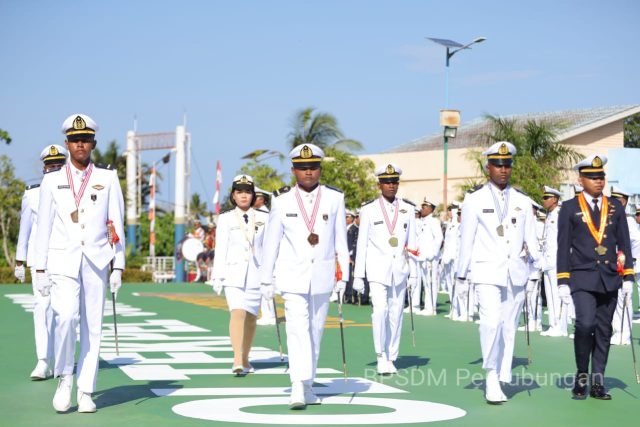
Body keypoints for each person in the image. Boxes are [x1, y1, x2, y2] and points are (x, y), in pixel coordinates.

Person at [34, 114, 125, 413]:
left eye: (85, 139)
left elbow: (116, 223)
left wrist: (119, 265)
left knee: (92, 327)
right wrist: (39, 268)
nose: (80, 144)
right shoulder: (52, 180)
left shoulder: (107, 178)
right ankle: (64, 378)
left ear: (93, 143)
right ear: (66, 144)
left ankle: (86, 390)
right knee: (65, 318)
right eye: (75, 140)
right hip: (62, 259)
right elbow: (43, 227)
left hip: (97, 259)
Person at [259, 144, 349, 409]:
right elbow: (271, 243)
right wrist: (266, 278)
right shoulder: (281, 199)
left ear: (320, 168)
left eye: (312, 167)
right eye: (302, 168)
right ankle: (297, 384)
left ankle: (309, 384)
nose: (308, 173)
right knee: (297, 328)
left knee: (315, 331)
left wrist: (343, 274)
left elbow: (340, 240)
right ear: (293, 170)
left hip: (322, 275)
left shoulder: (334, 198)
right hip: (292, 276)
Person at [456, 141, 541, 404]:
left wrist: (538, 267)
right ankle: (491, 376)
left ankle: (503, 374)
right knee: (491, 322)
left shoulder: (523, 200)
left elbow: (532, 240)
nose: (503, 170)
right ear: (488, 167)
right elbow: (466, 240)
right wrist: (461, 275)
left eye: (507, 165)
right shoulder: (474, 199)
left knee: (508, 327)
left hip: (515, 272)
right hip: (486, 272)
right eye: (498, 165)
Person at [557, 154, 634, 400]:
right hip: (582, 277)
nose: (598, 181)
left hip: (609, 277)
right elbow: (562, 246)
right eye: (592, 177)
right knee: (585, 324)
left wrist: (629, 275)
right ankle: (582, 374)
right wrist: (562, 279)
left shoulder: (615, 207)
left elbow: (624, 243)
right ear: (581, 180)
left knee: (603, 330)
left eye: (601, 176)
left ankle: (598, 380)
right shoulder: (569, 208)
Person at [353, 163, 418, 374]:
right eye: (387, 182)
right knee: (380, 311)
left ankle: (392, 355)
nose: (391, 185)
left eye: (394, 182)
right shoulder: (368, 209)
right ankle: (380, 355)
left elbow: (413, 244)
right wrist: (358, 276)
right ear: (379, 184)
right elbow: (361, 244)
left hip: (399, 269)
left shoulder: (408, 209)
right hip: (377, 270)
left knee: (396, 313)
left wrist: (414, 273)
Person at [15, 144, 67, 380]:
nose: (55, 169)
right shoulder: (33, 194)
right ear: (44, 168)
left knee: (65, 312)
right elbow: (24, 230)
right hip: (40, 262)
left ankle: (61, 359)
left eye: (59, 165)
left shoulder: (72, 192)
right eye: (51, 166)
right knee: (42, 308)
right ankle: (42, 361)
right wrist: (19, 261)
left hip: (65, 258)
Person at [211, 175, 269, 374]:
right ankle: (236, 359)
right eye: (239, 192)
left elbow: (269, 248)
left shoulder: (264, 218)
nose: (244, 196)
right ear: (233, 196)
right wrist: (217, 275)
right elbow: (221, 248)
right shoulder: (226, 218)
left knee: (251, 317)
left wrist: (272, 276)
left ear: (253, 195)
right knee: (238, 312)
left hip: (256, 273)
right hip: (233, 273)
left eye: (247, 192)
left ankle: (245, 358)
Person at [607, 186, 639, 345]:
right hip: (611, 265)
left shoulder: (628, 221)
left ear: (624, 202)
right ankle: (617, 331)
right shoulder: (611, 218)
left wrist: (628, 258)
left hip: (624, 264)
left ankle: (624, 334)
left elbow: (636, 241)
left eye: (617, 200)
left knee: (624, 299)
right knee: (615, 299)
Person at [539, 186, 570, 336]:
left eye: (546, 198)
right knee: (550, 295)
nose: (543, 201)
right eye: (543, 198)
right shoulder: (549, 215)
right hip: (548, 261)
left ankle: (560, 326)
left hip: (558, 260)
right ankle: (553, 324)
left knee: (558, 294)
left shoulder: (559, 215)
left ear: (555, 200)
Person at [414, 198, 443, 316]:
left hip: (431, 258)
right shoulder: (422, 221)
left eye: (425, 206)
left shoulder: (433, 221)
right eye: (422, 206)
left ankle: (432, 308)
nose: (422, 208)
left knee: (431, 282)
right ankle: (427, 306)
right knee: (426, 282)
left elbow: (439, 238)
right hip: (422, 257)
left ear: (431, 209)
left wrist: (433, 254)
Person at [253, 186, 277, 326]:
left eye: (256, 197)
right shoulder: (254, 214)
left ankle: (271, 315)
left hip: (265, 257)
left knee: (268, 286)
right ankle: (266, 314)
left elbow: (270, 238)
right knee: (261, 287)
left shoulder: (267, 215)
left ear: (261, 199)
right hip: (257, 257)